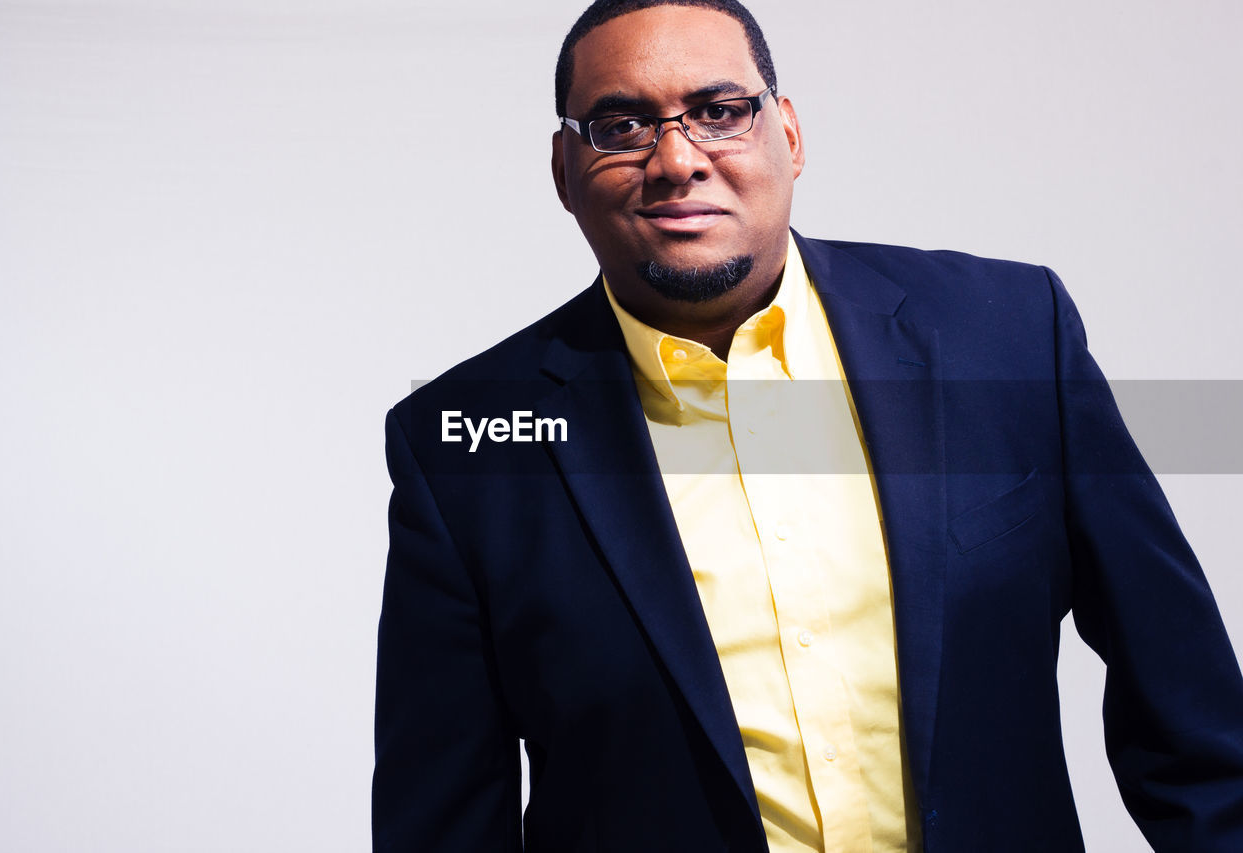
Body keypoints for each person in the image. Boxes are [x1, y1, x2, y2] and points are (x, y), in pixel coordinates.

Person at [373, 0, 1243, 850]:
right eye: (621, 126)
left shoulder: (1010, 334)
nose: (677, 159)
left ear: (787, 134)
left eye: (719, 112)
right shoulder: (460, 443)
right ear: (565, 170)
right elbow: (441, 817)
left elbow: (1190, 713)